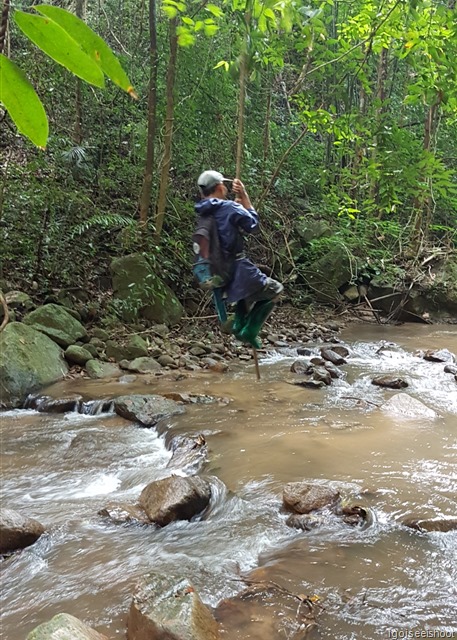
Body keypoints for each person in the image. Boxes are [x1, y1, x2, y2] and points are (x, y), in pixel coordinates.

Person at [195, 169, 283, 348]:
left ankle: (238, 325)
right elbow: (253, 224)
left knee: (247, 296)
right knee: (276, 290)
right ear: (220, 187)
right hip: (237, 268)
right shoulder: (228, 207)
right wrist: (244, 196)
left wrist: (237, 208)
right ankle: (249, 331)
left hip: (217, 270)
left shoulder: (204, 211)